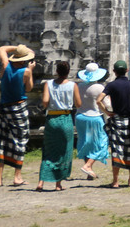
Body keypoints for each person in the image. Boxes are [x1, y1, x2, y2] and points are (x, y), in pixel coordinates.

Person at [37, 59, 82, 190]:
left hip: (52, 118)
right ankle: (58, 183)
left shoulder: (48, 84)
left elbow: (45, 101)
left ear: (56, 71)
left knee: (48, 150)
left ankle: (41, 182)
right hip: (66, 118)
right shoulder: (73, 85)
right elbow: (78, 104)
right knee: (64, 151)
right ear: (68, 72)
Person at [0, 43, 36, 186]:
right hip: (18, 107)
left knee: (1, 141)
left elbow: (1, 49)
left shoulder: (6, 66)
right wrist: (30, 70)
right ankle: (17, 176)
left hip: (4, 108)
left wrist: (18, 48)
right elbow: (29, 88)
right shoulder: (25, 72)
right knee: (20, 140)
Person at [99, 59, 130, 188]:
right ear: (127, 70)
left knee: (116, 150)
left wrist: (107, 112)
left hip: (117, 120)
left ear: (114, 72)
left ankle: (115, 181)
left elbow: (99, 100)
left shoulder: (111, 85)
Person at [75, 61, 110, 180]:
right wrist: (109, 112)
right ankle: (88, 165)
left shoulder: (79, 86)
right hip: (94, 117)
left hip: (80, 116)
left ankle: (89, 171)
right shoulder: (100, 87)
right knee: (102, 143)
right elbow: (106, 103)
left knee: (86, 143)